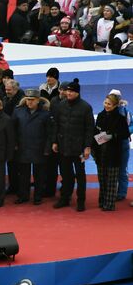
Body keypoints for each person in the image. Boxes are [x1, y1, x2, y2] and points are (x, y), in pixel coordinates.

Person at [52, 79, 94, 212]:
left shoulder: (86, 107)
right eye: (67, 90)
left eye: (71, 91)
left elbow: (89, 129)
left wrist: (87, 146)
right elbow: (56, 125)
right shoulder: (61, 105)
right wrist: (54, 141)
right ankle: (65, 198)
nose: (68, 93)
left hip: (79, 148)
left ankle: (81, 201)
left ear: (77, 93)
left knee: (80, 175)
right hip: (64, 146)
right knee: (66, 174)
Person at [12, 89, 53, 205]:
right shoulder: (18, 111)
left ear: (38, 100)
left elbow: (49, 133)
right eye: (28, 99)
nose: (29, 102)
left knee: (39, 175)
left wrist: (47, 148)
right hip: (23, 147)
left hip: (39, 148)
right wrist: (14, 144)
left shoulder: (45, 114)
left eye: (32, 100)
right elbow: (13, 129)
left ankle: (37, 196)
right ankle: (23, 195)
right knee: (23, 175)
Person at [92, 93, 130, 211]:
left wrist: (112, 136)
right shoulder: (101, 116)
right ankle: (102, 201)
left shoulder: (120, 118)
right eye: (105, 103)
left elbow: (125, 134)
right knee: (102, 179)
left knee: (112, 181)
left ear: (115, 106)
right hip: (101, 152)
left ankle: (109, 204)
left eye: (109, 104)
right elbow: (95, 132)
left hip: (114, 153)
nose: (106, 105)